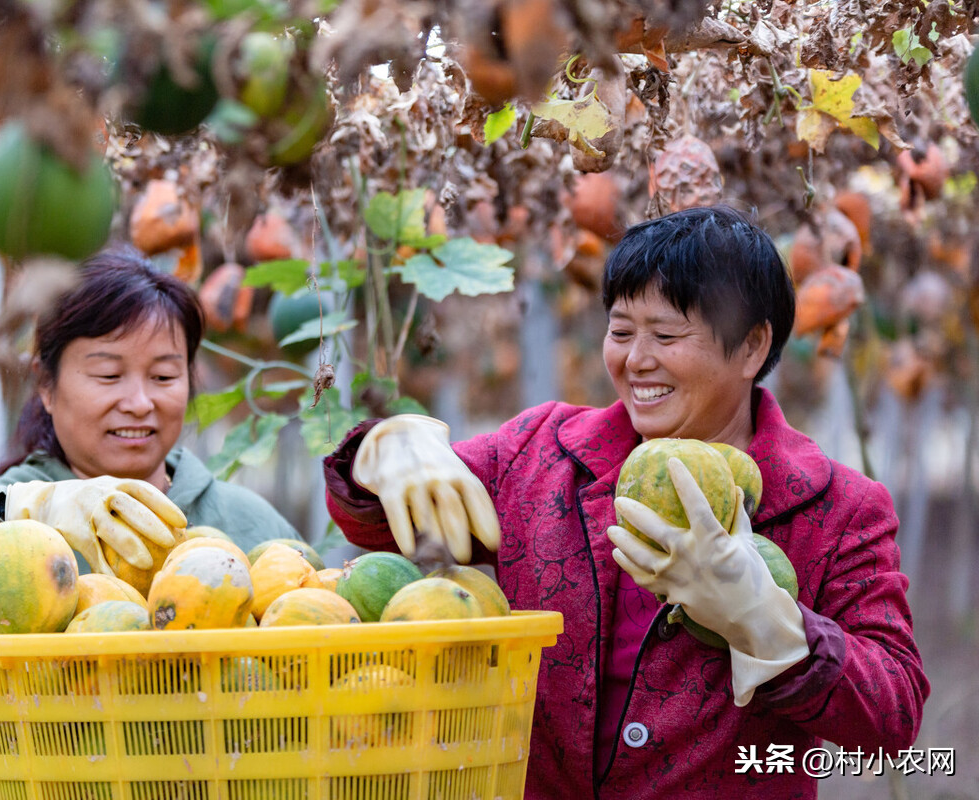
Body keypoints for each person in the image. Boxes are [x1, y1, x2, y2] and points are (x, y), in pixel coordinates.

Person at [323, 205, 928, 798]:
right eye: (620, 331)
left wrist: (773, 628)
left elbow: (892, 720)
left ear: (750, 346)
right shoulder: (539, 452)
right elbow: (383, 529)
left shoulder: (839, 509)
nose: (636, 360)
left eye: (666, 334)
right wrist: (384, 448)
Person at [0, 245, 299, 636]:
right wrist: (27, 509)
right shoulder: (7, 508)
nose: (140, 402)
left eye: (163, 375)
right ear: (46, 385)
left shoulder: (247, 523)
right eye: (109, 374)